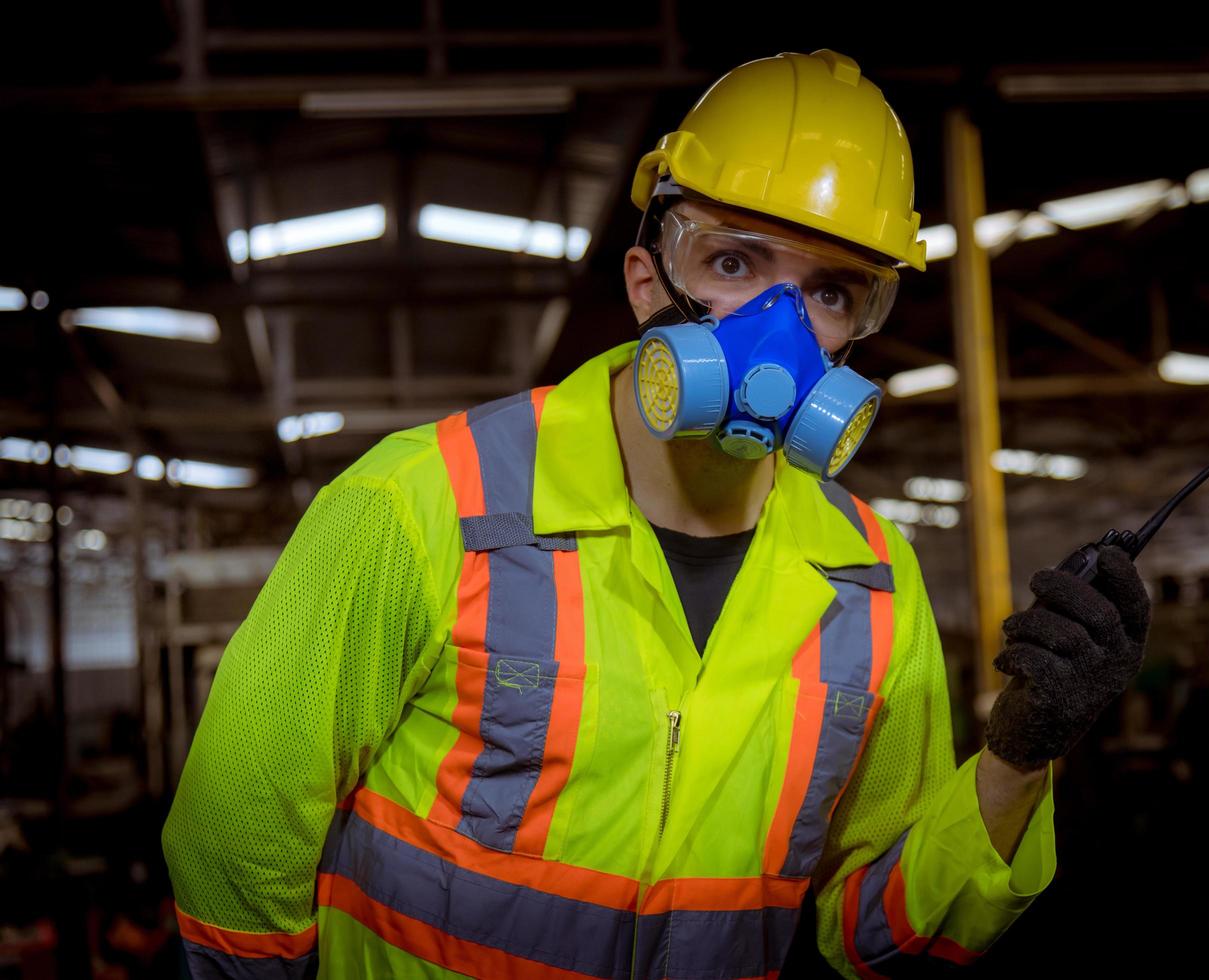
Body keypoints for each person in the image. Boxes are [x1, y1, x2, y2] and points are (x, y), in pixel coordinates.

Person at [163, 48, 1151, 979]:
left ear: (860, 329)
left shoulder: (875, 590)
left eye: (833, 290)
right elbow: (235, 836)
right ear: (649, 284)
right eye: (734, 263)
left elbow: (870, 934)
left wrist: (1017, 762)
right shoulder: (418, 503)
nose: (783, 329)